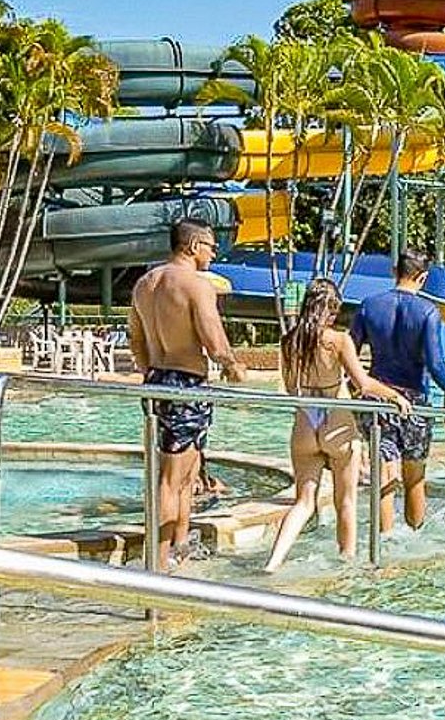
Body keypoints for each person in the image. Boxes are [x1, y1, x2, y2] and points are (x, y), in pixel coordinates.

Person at [262, 281, 410, 573]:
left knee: (304, 502)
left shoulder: (289, 340)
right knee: (346, 501)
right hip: (336, 421)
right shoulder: (339, 340)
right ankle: (346, 564)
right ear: (330, 309)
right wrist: (396, 397)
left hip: (305, 421)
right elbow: (363, 384)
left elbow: (291, 388)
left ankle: (272, 563)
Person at [126, 219, 244, 567]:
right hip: (186, 383)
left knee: (189, 474)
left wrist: (152, 371)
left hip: (157, 380)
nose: (214, 253)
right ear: (193, 246)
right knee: (170, 478)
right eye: (211, 246)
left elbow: (136, 339)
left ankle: (180, 545)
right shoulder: (196, 285)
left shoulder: (145, 284)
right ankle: (158, 564)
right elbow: (214, 340)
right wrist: (233, 366)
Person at [354, 248, 445, 532]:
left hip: (378, 398)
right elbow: (436, 363)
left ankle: (384, 539)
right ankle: (415, 535)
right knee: (414, 477)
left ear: (395, 272)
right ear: (423, 277)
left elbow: (350, 356)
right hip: (414, 401)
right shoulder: (428, 311)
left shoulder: (369, 306)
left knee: (383, 474)